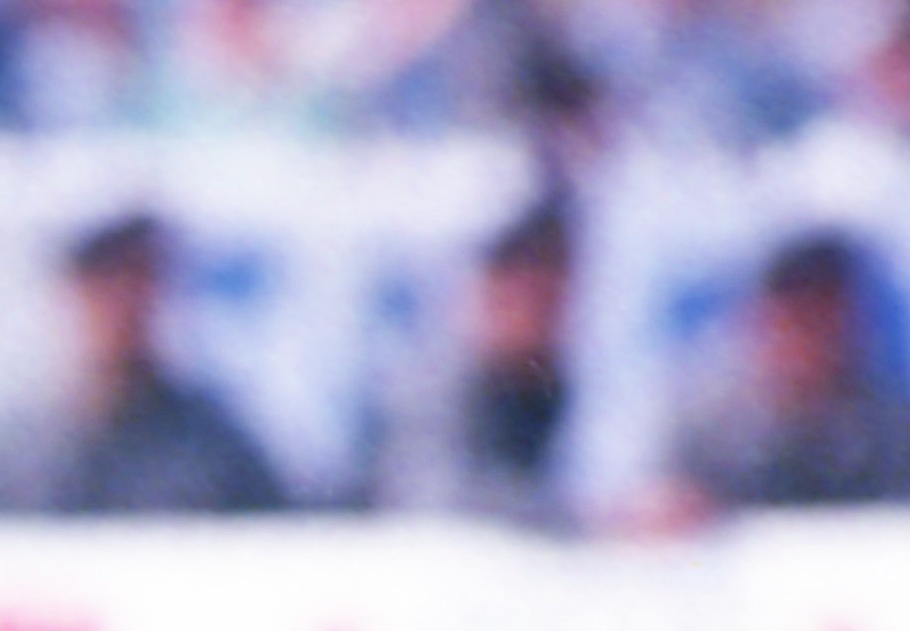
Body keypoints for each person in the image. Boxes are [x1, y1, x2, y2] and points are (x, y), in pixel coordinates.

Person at [0, 205, 295, 517]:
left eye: (141, 281)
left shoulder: (212, 444)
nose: (125, 303)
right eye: (107, 282)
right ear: (73, 292)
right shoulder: (11, 447)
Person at [638, 224, 910, 522]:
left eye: (828, 321)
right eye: (799, 321)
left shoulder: (888, 422)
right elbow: (649, 500)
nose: (813, 341)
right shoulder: (705, 418)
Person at [358, 188, 584, 529]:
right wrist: (573, 520)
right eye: (515, 294)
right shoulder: (430, 391)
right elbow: (430, 503)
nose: (529, 313)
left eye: (546, 295)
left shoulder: (592, 386)